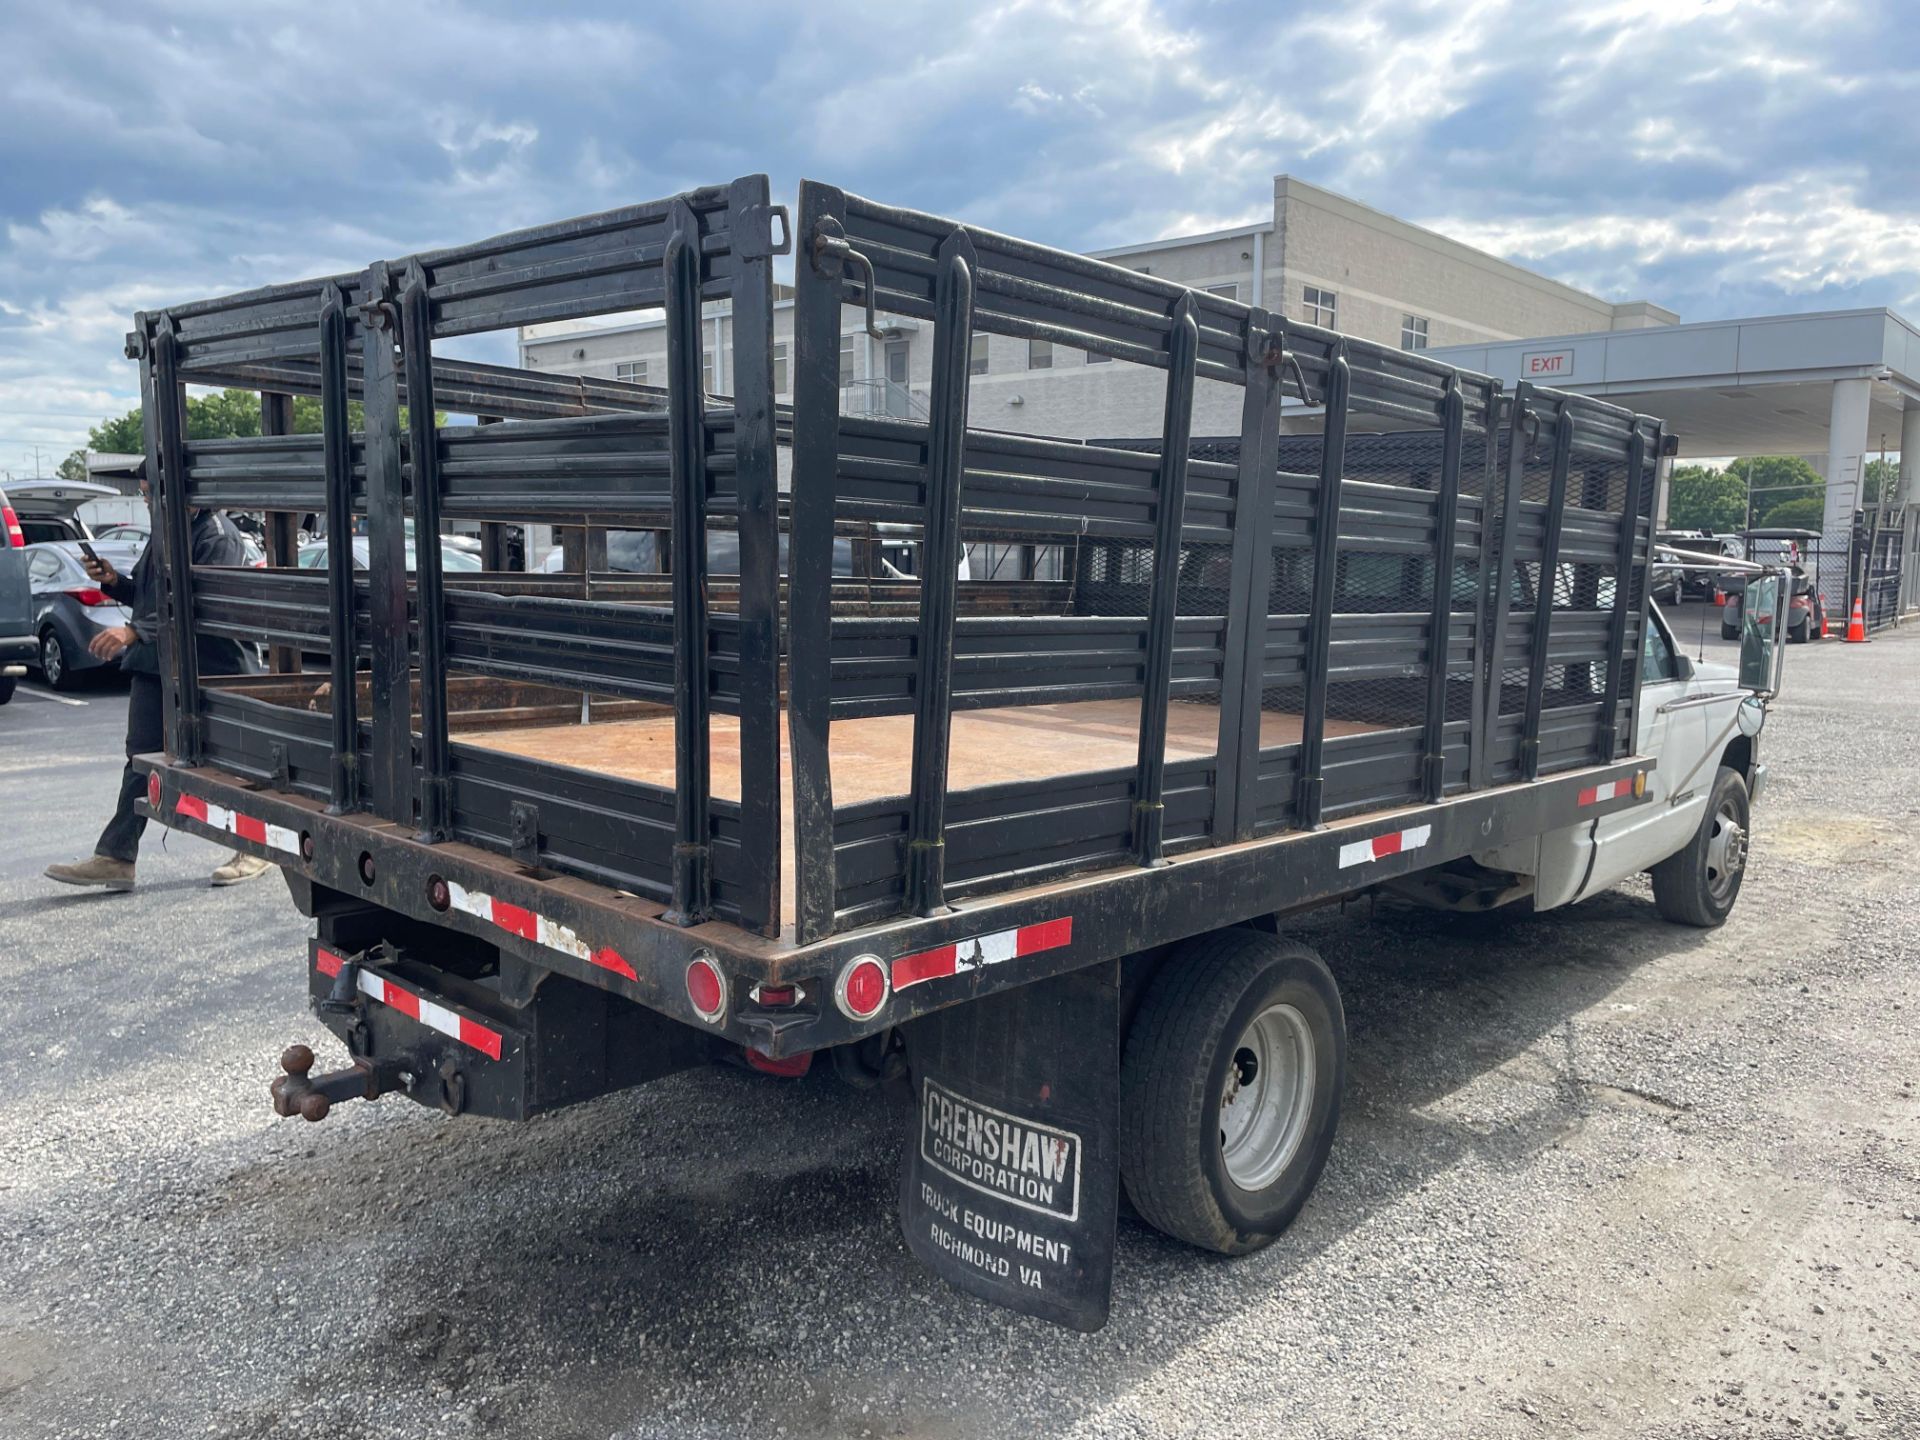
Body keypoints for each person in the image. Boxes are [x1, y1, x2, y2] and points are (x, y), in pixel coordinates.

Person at [44, 478, 272, 891]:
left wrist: (136, 632)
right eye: (146, 493)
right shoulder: (167, 532)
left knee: (232, 763)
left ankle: (254, 846)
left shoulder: (217, 536)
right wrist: (115, 583)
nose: (149, 500)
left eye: (153, 492)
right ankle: (116, 856)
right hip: (159, 662)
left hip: (213, 665)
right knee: (141, 758)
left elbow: (203, 606)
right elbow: (152, 598)